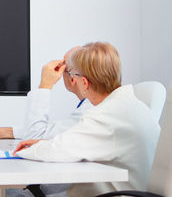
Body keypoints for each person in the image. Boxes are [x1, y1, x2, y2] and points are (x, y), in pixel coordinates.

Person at [13, 42, 160, 196]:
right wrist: (45, 143)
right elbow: (71, 142)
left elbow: (57, 150)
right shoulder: (130, 105)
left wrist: (27, 149)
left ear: (84, 82)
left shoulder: (106, 115)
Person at [0, 47, 92, 140]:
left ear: (73, 79)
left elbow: (35, 136)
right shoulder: (90, 108)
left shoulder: (88, 114)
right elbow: (50, 131)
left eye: (64, 68)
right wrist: (2, 132)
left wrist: (45, 84)